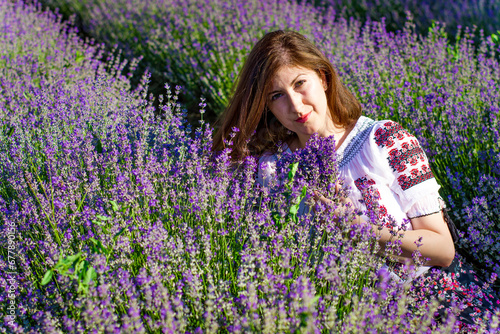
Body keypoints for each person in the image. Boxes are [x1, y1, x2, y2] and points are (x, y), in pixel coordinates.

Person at [212, 30, 498, 326]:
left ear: (323, 78)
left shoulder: (385, 140)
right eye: (277, 96)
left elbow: (443, 250)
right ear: (267, 105)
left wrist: (362, 233)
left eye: (300, 84)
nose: (295, 106)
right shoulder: (273, 168)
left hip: (432, 301)